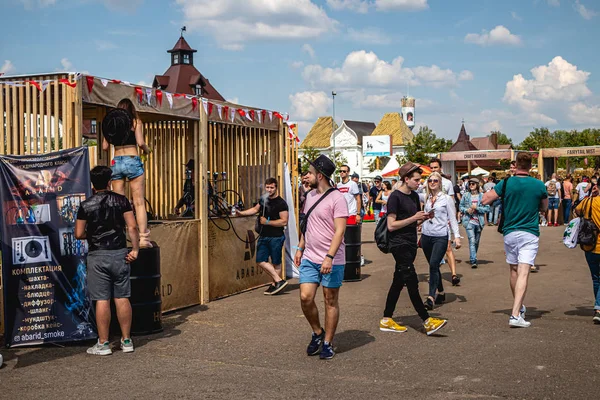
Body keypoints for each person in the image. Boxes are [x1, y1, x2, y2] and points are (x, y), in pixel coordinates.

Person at [75, 166, 140, 355]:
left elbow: (78, 233)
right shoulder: (121, 201)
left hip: (97, 255)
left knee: (101, 299)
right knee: (122, 296)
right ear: (110, 181)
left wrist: (92, 234)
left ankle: (103, 343)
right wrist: (135, 249)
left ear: (92, 184)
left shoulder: (85, 205)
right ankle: (126, 340)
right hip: (120, 253)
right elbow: (133, 227)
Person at [379, 162, 448, 335]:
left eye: (420, 180)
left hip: (410, 243)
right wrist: (414, 218)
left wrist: (424, 218)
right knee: (411, 281)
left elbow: (414, 222)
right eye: (416, 180)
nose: (420, 183)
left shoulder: (415, 197)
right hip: (398, 243)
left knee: (398, 281)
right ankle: (426, 320)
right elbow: (392, 225)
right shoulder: (395, 197)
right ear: (406, 179)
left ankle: (386, 319)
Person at [482, 152, 548, 328]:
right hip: (529, 231)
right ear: (531, 165)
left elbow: (485, 199)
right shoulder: (539, 184)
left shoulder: (506, 183)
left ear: (516, 164)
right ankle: (515, 314)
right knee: (524, 271)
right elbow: (544, 207)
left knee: (513, 270)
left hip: (510, 231)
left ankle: (518, 307)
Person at [294, 155, 348, 359]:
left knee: (330, 300)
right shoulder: (309, 197)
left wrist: (329, 257)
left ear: (320, 175)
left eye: (309, 172)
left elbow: (339, 231)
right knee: (305, 297)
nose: (306, 176)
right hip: (309, 256)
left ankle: (328, 342)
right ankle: (318, 332)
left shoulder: (337, 198)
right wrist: (300, 248)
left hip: (331, 258)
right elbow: (307, 225)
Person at [102, 100, 153, 248]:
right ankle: (143, 239)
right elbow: (141, 142)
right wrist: (147, 150)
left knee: (119, 204)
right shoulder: (135, 122)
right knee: (138, 202)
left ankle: (120, 239)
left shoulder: (112, 123)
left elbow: (105, 146)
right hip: (132, 159)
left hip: (116, 161)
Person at [236, 178, 289, 295]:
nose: (269, 190)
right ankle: (279, 281)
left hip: (276, 237)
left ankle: (275, 284)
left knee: (276, 262)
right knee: (260, 260)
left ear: (276, 188)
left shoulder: (281, 203)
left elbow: (284, 221)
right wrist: (241, 213)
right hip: (263, 235)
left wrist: (267, 222)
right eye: (267, 187)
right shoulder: (263, 199)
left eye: (272, 187)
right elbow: (255, 209)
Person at [421, 172, 462, 309]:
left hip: (440, 235)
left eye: (435, 181)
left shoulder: (446, 199)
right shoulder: (427, 197)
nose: (432, 183)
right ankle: (441, 292)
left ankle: (431, 297)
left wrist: (456, 236)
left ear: (440, 183)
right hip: (426, 234)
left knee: (434, 263)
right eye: (430, 180)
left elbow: (453, 218)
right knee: (433, 265)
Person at [429, 158, 458, 283]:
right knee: (433, 252)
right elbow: (425, 201)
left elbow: (451, 200)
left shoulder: (447, 183)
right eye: (432, 168)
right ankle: (435, 275)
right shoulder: (428, 182)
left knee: (448, 248)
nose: (434, 170)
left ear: (440, 168)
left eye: (436, 167)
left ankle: (454, 274)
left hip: (444, 220)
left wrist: (452, 220)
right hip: (431, 222)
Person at [574, 184, 600, 323]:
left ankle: (598, 305)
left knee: (596, 278)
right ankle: (599, 308)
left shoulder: (587, 201)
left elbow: (577, 212)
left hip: (589, 244)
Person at [460, 177, 490, 269]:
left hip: (479, 222)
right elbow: (460, 207)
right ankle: (473, 260)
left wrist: (477, 208)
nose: (471, 185)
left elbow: (487, 208)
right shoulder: (466, 195)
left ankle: (474, 256)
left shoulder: (482, 196)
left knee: (476, 242)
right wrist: (466, 210)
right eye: (470, 184)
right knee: (472, 241)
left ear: (477, 185)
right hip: (469, 221)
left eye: (473, 184)